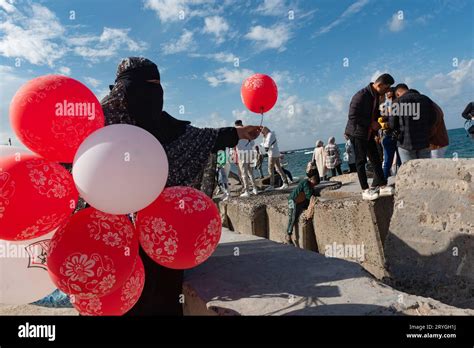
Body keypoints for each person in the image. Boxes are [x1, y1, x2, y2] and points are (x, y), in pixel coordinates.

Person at [101, 57, 261, 315]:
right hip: (112, 239)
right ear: (127, 89)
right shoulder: (99, 129)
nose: (154, 95)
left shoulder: (164, 126)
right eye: (148, 86)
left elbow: (203, 138)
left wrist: (240, 133)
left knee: (164, 298)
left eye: (158, 86)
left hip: (163, 237)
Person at [344, 73, 395, 201]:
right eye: (386, 88)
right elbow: (352, 117)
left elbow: (375, 112)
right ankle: (365, 190)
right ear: (379, 85)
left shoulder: (376, 96)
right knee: (361, 161)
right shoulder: (360, 95)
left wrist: (383, 118)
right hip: (357, 133)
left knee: (376, 159)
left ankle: (382, 186)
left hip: (369, 133)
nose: (387, 91)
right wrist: (371, 123)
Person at [390, 84, 437, 164]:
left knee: (409, 171)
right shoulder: (426, 99)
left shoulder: (397, 102)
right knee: (424, 168)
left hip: (405, 142)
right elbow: (433, 119)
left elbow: (392, 124)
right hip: (424, 140)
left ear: (397, 93)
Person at [285, 162, 320, 244]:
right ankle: (288, 235)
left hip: (300, 201)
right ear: (311, 179)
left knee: (297, 214)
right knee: (292, 217)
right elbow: (308, 195)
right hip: (292, 200)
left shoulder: (310, 184)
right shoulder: (305, 183)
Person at [378, 88, 401, 179]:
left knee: (397, 160)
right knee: (388, 160)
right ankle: (384, 180)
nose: (388, 93)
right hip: (388, 134)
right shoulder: (385, 105)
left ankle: (398, 178)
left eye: (390, 92)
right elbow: (380, 119)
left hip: (394, 134)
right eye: (387, 92)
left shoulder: (396, 104)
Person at [234, 120, 258, 197]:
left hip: (242, 153)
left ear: (235, 125)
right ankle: (255, 189)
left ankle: (247, 191)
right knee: (251, 172)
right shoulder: (246, 131)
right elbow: (252, 143)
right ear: (241, 123)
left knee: (244, 173)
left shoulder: (235, 131)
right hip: (250, 152)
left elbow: (233, 144)